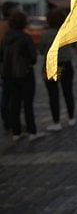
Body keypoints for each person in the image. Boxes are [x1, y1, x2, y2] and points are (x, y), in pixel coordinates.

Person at [0, 11, 44, 141]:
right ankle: (32, 132)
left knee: (14, 103)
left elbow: (1, 56)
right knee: (28, 104)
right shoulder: (25, 38)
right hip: (25, 74)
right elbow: (33, 58)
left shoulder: (6, 38)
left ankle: (16, 132)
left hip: (9, 75)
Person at [38, 8, 76, 132]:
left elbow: (42, 50)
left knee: (53, 94)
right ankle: (71, 118)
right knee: (68, 91)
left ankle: (56, 121)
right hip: (66, 64)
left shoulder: (46, 34)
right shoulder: (66, 31)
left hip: (52, 65)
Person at [0, 1, 20, 132]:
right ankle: (14, 123)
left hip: (4, 67)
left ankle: (8, 122)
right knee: (14, 96)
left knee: (6, 95)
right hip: (13, 67)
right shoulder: (10, 28)